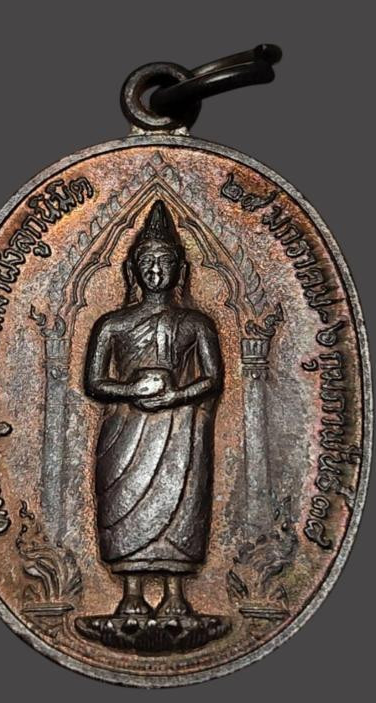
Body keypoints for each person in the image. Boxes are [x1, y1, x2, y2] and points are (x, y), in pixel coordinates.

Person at [84, 200, 223, 617]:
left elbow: (213, 379)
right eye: (147, 261)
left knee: (181, 500)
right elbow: (94, 383)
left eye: (164, 261)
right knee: (123, 500)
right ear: (133, 269)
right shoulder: (112, 324)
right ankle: (130, 593)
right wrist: (129, 390)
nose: (155, 269)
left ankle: (176, 594)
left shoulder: (196, 323)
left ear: (180, 269)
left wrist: (175, 396)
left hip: (179, 428)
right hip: (126, 428)